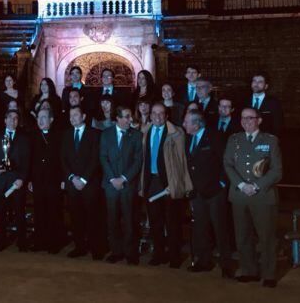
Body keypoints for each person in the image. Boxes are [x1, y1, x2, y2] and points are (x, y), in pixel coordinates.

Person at [224, 107, 282, 288]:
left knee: (266, 237)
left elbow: (277, 170)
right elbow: (227, 164)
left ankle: (269, 273)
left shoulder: (270, 141)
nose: (246, 121)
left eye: (250, 118)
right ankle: (249, 271)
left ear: (259, 120)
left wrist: (256, 185)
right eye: (243, 118)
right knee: (242, 236)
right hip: (240, 195)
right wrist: (241, 185)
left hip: (262, 196)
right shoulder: (234, 139)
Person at [139, 102, 193, 268]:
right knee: (155, 222)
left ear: (166, 115)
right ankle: (159, 254)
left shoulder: (176, 133)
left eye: (161, 113)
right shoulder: (144, 131)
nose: (157, 116)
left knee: (172, 222)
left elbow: (182, 160)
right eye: (154, 113)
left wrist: (180, 184)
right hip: (151, 182)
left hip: (170, 182)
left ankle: (175, 256)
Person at [182, 110, 234, 278]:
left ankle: (226, 265)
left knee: (220, 229)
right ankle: (204, 261)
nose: (184, 125)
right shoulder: (188, 138)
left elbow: (226, 162)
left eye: (186, 122)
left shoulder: (215, 137)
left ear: (196, 124)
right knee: (200, 228)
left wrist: (221, 184)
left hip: (215, 193)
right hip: (197, 193)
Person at [61, 106, 106, 260]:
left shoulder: (95, 134)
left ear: (84, 116)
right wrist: (73, 178)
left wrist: (84, 179)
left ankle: (96, 248)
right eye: (70, 116)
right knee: (75, 217)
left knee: (93, 217)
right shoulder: (66, 134)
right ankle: (79, 247)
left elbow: (95, 159)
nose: (72, 118)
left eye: (75, 115)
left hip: (90, 183)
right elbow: (63, 159)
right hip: (73, 183)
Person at [99, 106, 143, 265]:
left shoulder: (136, 135)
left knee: (130, 220)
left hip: (128, 185)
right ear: (117, 118)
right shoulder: (106, 134)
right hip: (110, 185)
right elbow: (103, 158)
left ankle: (131, 253)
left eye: (130, 116)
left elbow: (138, 160)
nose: (129, 119)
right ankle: (116, 252)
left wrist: (123, 178)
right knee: (112, 220)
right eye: (126, 117)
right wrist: (113, 179)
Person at [0, 110, 30, 251]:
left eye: (16, 118)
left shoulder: (24, 138)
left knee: (19, 213)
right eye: (10, 118)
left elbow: (27, 161)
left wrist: (22, 179)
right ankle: (1, 240)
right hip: (0, 181)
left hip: (16, 182)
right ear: (5, 120)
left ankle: (22, 241)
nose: (13, 121)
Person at [28, 108, 65, 253]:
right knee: (39, 211)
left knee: (53, 212)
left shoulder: (59, 136)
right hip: (38, 180)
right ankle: (39, 242)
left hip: (54, 179)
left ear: (51, 120)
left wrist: (62, 179)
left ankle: (54, 243)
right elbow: (30, 159)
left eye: (44, 117)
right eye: (38, 118)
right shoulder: (33, 136)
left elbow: (63, 159)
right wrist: (30, 179)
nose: (40, 120)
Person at [247, 72, 283, 137]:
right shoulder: (243, 101)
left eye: (260, 82)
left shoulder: (274, 103)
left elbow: (278, 125)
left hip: (266, 140)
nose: (256, 84)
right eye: (254, 81)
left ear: (266, 86)